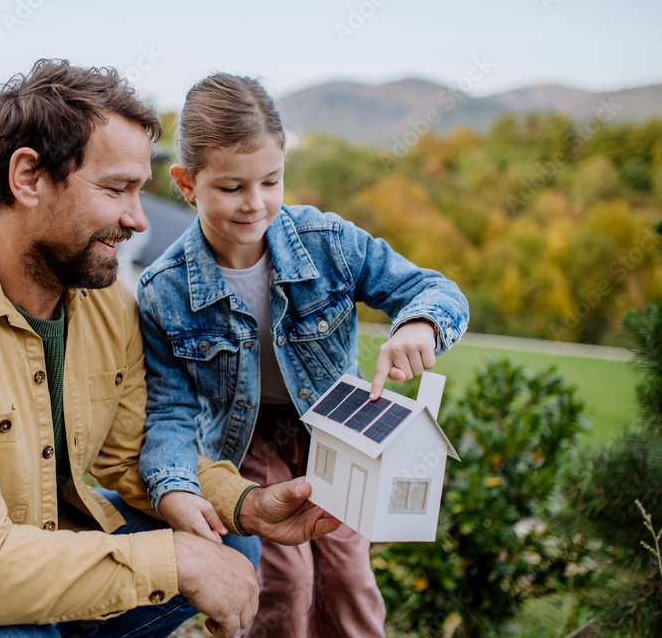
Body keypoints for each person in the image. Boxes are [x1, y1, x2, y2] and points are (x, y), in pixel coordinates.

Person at [0, 59, 342, 638]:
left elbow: (133, 453)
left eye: (140, 190)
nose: (136, 219)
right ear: (28, 177)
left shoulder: (102, 299)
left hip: (36, 538)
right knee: (24, 621)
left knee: (228, 541)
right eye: (115, 190)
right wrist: (175, 561)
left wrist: (245, 504)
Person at [137, 73, 470, 638]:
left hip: (337, 431)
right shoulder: (163, 290)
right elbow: (169, 408)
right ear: (187, 183)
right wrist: (173, 484)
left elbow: (434, 291)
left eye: (271, 181)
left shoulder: (328, 242)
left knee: (348, 573)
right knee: (282, 583)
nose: (255, 203)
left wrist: (419, 323)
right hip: (245, 443)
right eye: (232, 187)